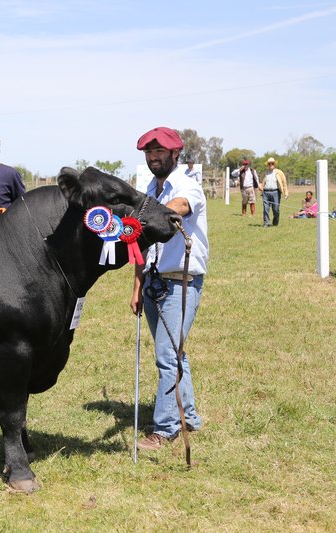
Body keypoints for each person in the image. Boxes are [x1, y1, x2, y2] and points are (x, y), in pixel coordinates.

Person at [130, 127, 208, 451]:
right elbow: (141, 242)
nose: (153, 157)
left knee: (166, 355)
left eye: (160, 151)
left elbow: (176, 209)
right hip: (152, 282)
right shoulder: (148, 189)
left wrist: (145, 215)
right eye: (149, 152)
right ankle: (188, 416)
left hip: (180, 284)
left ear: (176, 154)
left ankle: (165, 429)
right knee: (174, 354)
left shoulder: (189, 186)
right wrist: (136, 286)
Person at [258, 157, 288, 227]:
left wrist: (286, 192)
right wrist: (260, 187)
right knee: (266, 208)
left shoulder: (279, 172)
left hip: (276, 192)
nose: (271, 164)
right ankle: (266, 223)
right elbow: (261, 182)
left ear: (274, 164)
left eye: (272, 163)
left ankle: (275, 221)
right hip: (266, 192)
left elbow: (284, 183)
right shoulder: (264, 173)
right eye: (269, 163)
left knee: (276, 209)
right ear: (267, 165)